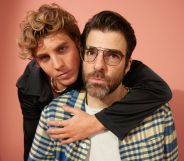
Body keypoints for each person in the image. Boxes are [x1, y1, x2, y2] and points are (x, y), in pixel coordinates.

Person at [17, 4, 172, 160]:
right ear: (37, 61)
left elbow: (159, 90)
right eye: (44, 57)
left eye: (62, 49)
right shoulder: (30, 89)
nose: (58, 65)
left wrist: (97, 122)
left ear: (79, 44)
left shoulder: (114, 67)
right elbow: (32, 147)